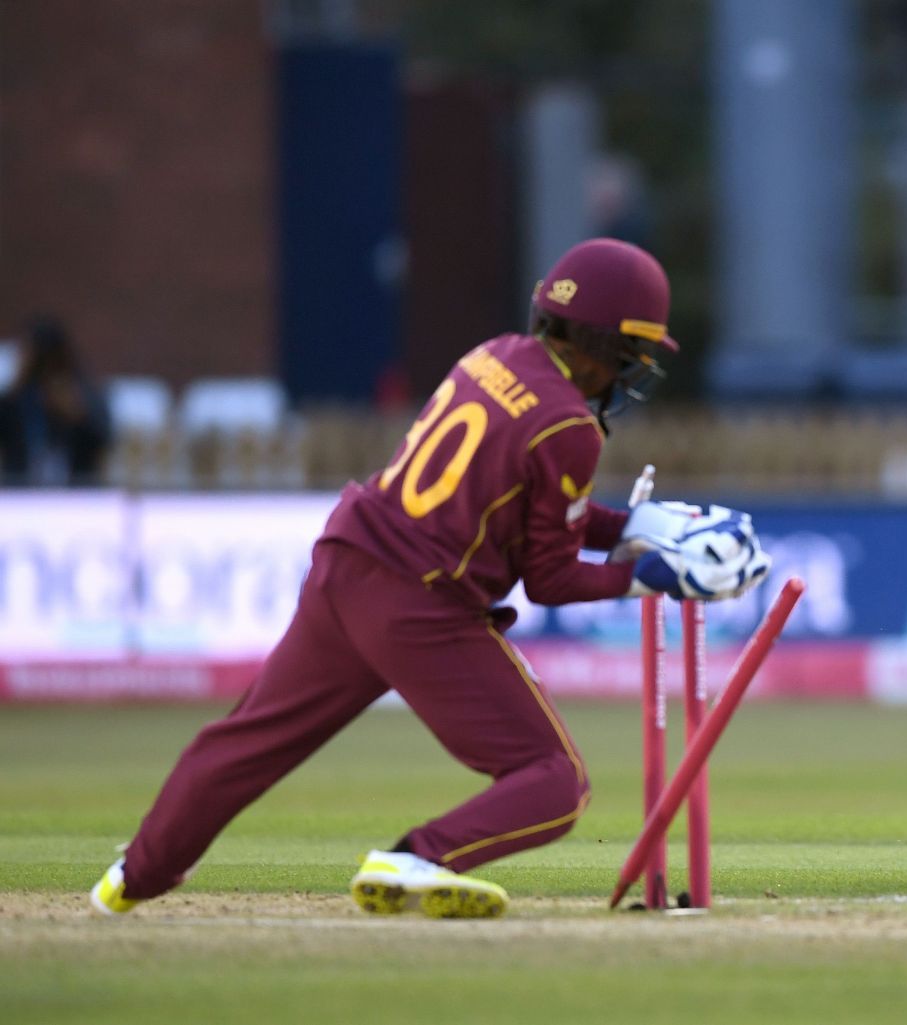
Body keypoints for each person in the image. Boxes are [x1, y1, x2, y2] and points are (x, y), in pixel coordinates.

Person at [90, 239, 770, 918]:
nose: (629, 374)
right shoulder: (570, 426)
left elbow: (520, 497)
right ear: (603, 342)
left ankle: (133, 873)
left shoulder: (494, 353)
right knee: (556, 782)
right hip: (421, 603)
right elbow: (550, 579)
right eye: (631, 355)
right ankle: (419, 856)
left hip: (346, 564)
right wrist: (652, 575)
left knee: (250, 738)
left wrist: (630, 526)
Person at [0, 316, 111, 485]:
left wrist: (77, 415)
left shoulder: (81, 393)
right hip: (20, 489)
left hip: (74, 489)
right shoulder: (15, 399)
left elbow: (105, 439)